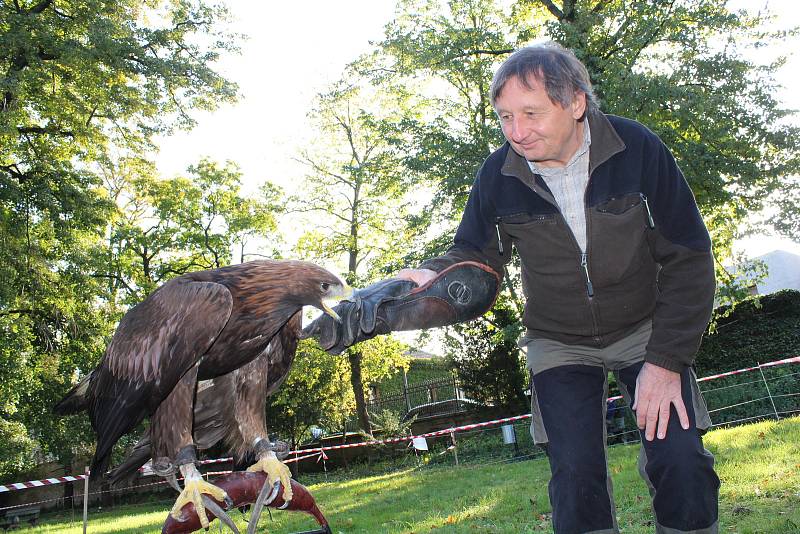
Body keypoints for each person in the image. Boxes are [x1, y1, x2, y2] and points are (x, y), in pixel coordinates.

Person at [396, 42, 720, 534]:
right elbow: (474, 254)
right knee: (574, 477)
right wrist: (429, 276)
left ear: (575, 103)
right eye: (505, 117)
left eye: (530, 113)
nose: (517, 132)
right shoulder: (497, 174)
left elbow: (689, 257)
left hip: (645, 330)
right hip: (558, 341)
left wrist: (666, 361)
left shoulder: (638, 151)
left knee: (681, 459)